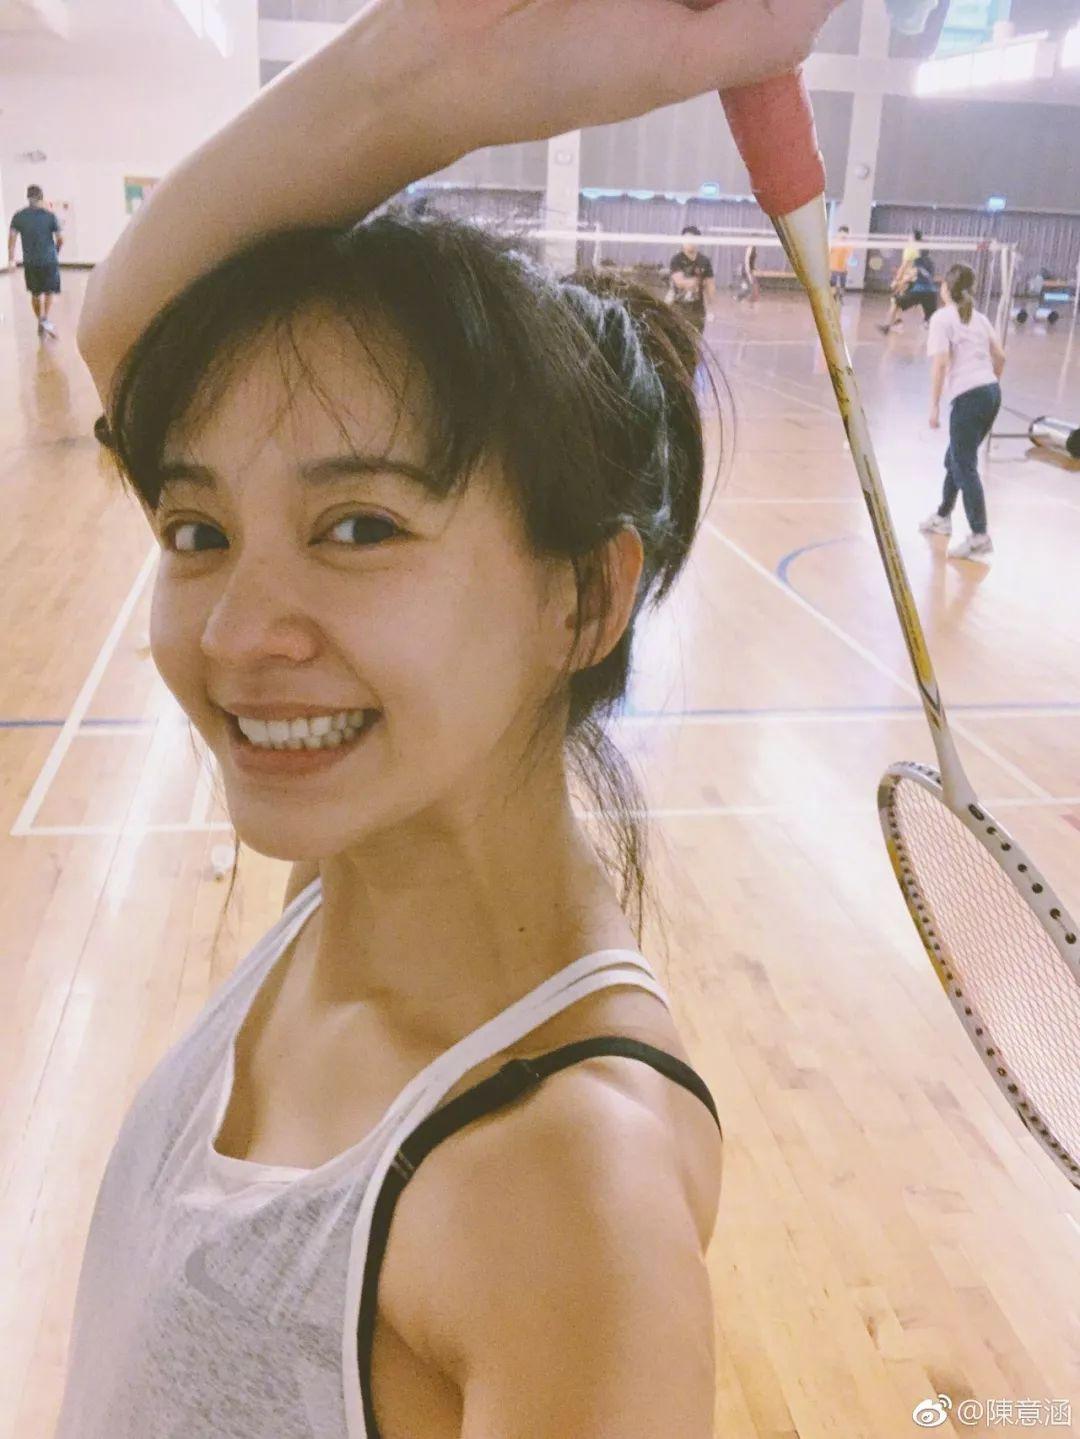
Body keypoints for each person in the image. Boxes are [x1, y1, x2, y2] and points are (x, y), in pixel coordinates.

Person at [60, 2, 841, 1435]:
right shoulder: (362, 865)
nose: (235, 635)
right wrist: (449, 68)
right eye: (198, 531)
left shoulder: (567, 1196)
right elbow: (130, 333)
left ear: (584, 600)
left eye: (360, 525)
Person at [919, 263, 1005, 563]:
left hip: (970, 398)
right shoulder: (980, 319)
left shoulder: (942, 318)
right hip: (990, 393)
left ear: (946, 288)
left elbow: (941, 364)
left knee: (964, 465)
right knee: (954, 459)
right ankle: (943, 516)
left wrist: (934, 405)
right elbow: (1000, 357)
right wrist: (989, 385)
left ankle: (980, 536)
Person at [7, 184, 63, 338]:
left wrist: (11, 259)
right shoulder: (50, 216)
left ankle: (41, 319)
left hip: (31, 262)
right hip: (49, 260)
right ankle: (45, 319)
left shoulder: (19, 216)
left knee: (35, 293)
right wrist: (56, 251)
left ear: (28, 197)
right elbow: (60, 239)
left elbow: (12, 238)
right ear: (41, 197)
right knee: (49, 291)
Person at [879, 243, 937, 332]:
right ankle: (927, 324)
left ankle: (887, 327)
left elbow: (912, 275)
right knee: (927, 313)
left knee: (896, 301)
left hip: (919, 291)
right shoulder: (931, 263)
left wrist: (897, 283)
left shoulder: (918, 261)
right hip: (931, 293)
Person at [668, 224, 716, 332]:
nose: (689, 242)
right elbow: (680, 282)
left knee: (696, 339)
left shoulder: (704, 261)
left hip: (697, 310)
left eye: (693, 239)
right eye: (687, 239)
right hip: (678, 308)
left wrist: (711, 309)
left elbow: (710, 285)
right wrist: (698, 281)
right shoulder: (676, 260)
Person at [828, 224, 852, 301]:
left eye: (845, 233)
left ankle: (840, 296)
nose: (843, 235)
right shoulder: (834, 242)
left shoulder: (848, 244)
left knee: (842, 283)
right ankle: (833, 296)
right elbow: (829, 252)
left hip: (843, 267)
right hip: (834, 266)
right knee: (833, 282)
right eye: (841, 233)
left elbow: (849, 255)